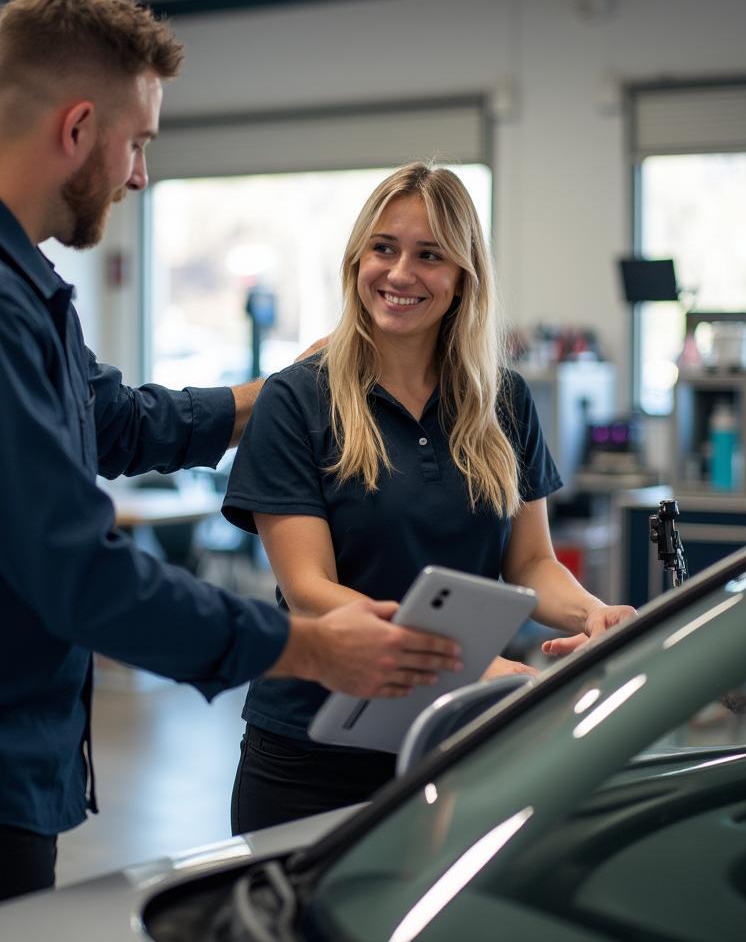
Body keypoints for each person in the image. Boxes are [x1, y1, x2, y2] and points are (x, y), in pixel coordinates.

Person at [0, 0, 461, 941]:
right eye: (138, 142)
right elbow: (79, 576)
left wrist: (285, 392)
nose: (140, 174)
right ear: (77, 127)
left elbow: (112, 420)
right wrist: (309, 646)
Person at [222, 163, 637, 833]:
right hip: (314, 749)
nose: (400, 273)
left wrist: (593, 615)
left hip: (455, 742)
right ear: (357, 258)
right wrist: (472, 665)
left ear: (464, 275)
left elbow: (531, 563)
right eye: (383, 248)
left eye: (430, 255)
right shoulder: (298, 398)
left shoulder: (502, 399)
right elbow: (310, 591)